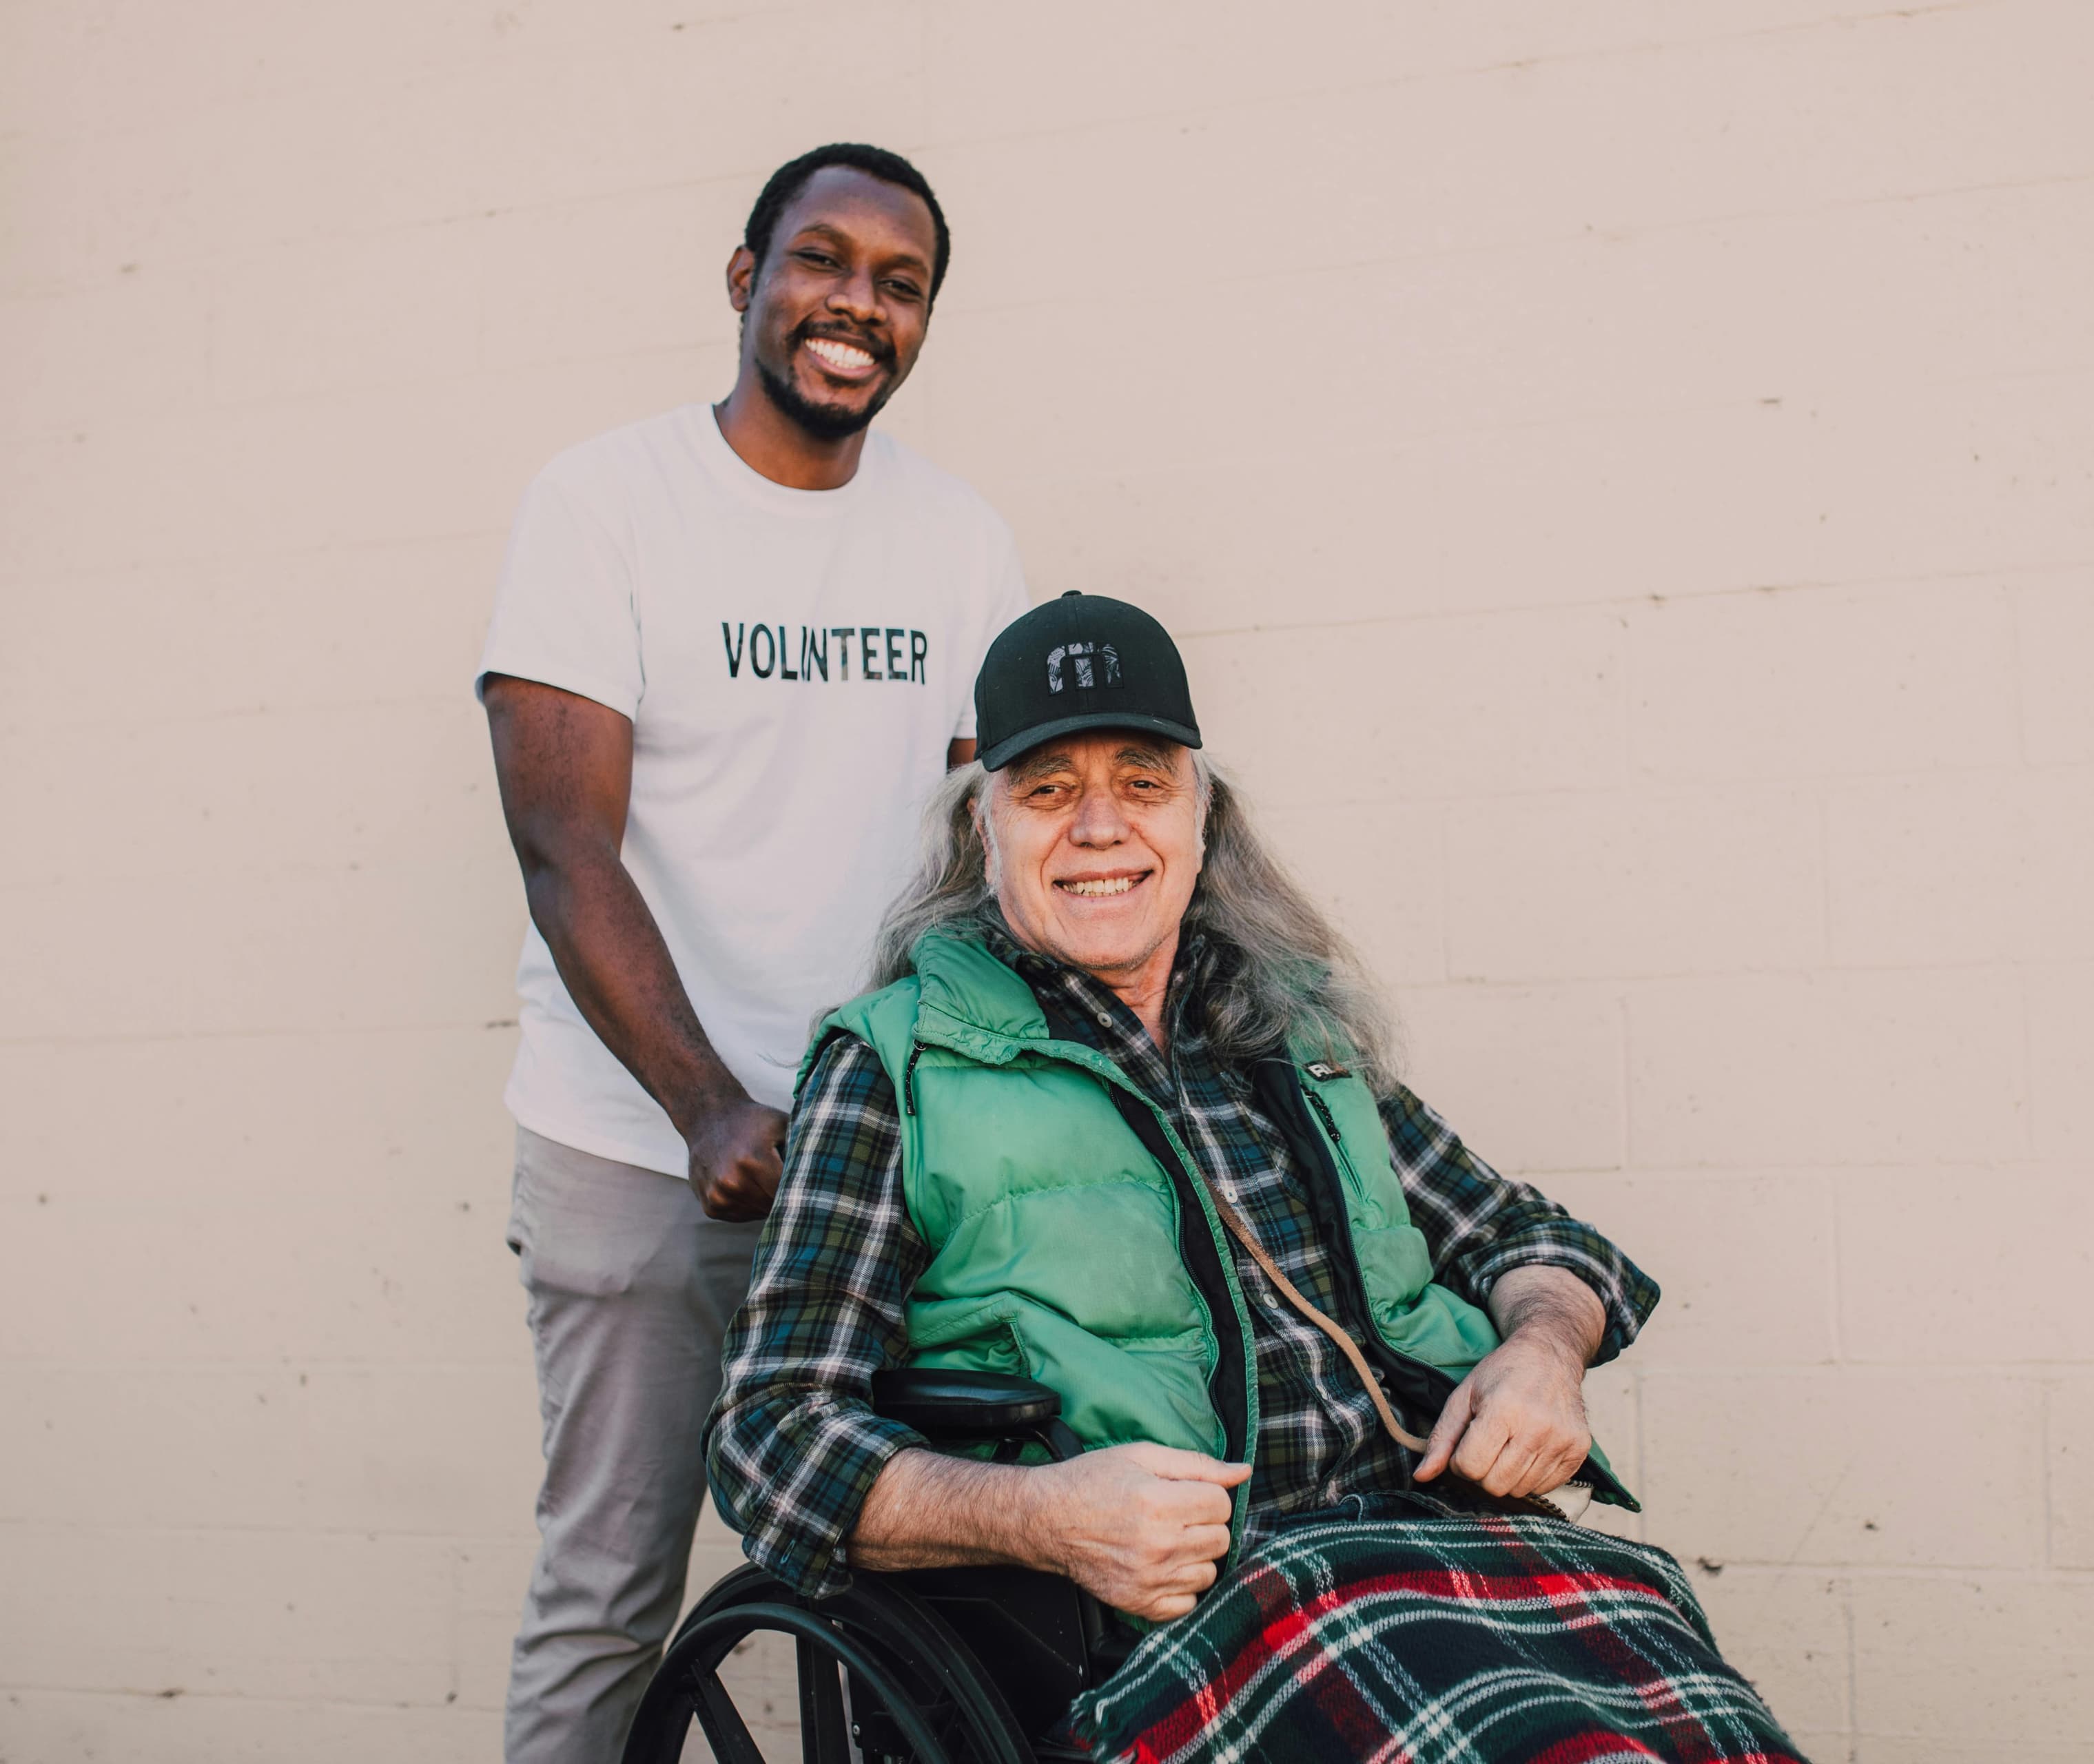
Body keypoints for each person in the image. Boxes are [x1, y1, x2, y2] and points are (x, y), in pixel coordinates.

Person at [708, 595, 1808, 1761]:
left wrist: (1545, 1352)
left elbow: (1540, 1243)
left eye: (1142, 781)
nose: (1097, 827)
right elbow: (769, 1438)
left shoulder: (1292, 1032)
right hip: (1195, 1624)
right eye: (1046, 789)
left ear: (1202, 817)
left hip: (1451, 1550)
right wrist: (1043, 1518)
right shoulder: (895, 1069)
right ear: (983, 833)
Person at [475, 142, 1029, 1763]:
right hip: (643, 1141)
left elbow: (979, 843)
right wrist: (709, 1106)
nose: (857, 304)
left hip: (878, 1160)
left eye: (900, 281)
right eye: (823, 260)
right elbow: (562, 847)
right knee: (611, 1589)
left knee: (897, 1580)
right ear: (747, 278)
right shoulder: (606, 502)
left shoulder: (959, 537)